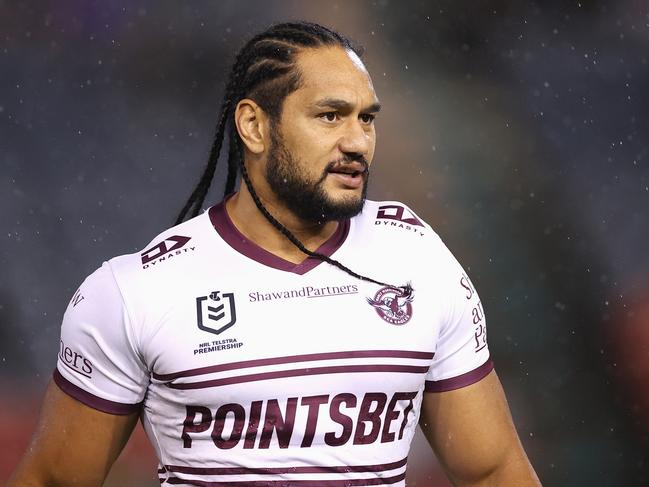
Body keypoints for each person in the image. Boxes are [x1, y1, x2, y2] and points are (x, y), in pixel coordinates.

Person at [9, 21, 541, 486]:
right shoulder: (136, 290)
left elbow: (494, 471)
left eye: (367, 118)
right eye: (331, 116)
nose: (358, 141)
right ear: (254, 125)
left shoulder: (417, 258)